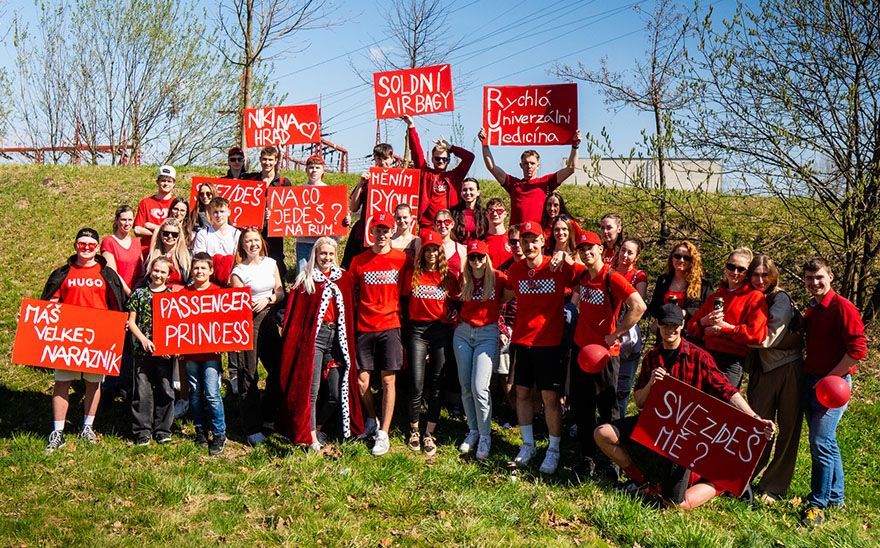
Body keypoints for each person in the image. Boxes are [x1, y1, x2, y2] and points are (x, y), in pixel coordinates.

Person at [594, 303, 775, 509]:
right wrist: (652, 383)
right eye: (665, 325)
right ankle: (640, 482)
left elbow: (726, 390)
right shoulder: (652, 358)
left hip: (684, 437)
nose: (671, 330)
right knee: (602, 434)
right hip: (655, 425)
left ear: (682, 327)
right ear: (658, 326)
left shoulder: (698, 356)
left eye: (675, 326)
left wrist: (754, 417)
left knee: (674, 505)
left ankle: (719, 484)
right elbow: (639, 401)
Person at [502, 221, 583, 473]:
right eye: (523, 241)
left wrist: (565, 257)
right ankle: (528, 444)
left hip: (549, 343)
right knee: (522, 393)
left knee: (550, 398)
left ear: (542, 240)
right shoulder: (515, 270)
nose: (528, 245)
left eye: (533, 240)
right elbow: (502, 295)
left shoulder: (556, 266)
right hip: (522, 341)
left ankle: (554, 448)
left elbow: (585, 278)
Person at [567, 231, 646, 476]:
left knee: (608, 408)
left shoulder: (611, 277)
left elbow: (639, 306)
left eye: (591, 248)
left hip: (605, 354)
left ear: (601, 249)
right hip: (581, 351)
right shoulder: (582, 275)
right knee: (582, 407)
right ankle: (588, 457)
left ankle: (614, 462)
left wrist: (618, 332)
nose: (586, 252)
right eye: (582, 249)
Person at [41, 228, 126, 453]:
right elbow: (50, 303)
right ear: (75, 246)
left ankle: (87, 427)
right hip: (68, 338)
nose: (86, 248)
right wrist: (32, 318)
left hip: (98, 339)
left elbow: (116, 303)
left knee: (93, 383)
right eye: (82, 244)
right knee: (62, 383)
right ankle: (57, 432)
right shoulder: (63, 273)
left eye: (90, 244)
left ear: (97, 247)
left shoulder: (106, 273)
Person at [278, 237, 364, 451]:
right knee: (311, 389)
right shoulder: (305, 279)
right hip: (314, 340)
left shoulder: (343, 279)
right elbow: (296, 317)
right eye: (322, 253)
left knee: (337, 391)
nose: (326, 258)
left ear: (336, 255)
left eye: (330, 254)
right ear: (315, 254)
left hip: (337, 339)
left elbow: (350, 310)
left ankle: (317, 426)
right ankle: (312, 437)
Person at [800, 257, 866, 527]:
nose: (814, 283)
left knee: (820, 443)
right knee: (827, 441)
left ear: (831, 277)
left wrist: (829, 379)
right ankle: (836, 497)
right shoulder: (813, 308)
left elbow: (857, 351)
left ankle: (818, 506)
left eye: (819, 277)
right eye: (809, 278)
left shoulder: (843, 308)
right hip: (812, 381)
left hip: (832, 387)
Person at [348, 213, 413, 456]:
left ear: (392, 231)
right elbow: (348, 289)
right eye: (378, 230)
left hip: (390, 324)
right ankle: (371, 419)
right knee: (361, 380)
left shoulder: (402, 259)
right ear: (371, 232)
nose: (382, 234)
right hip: (364, 326)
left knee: (388, 381)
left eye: (386, 230)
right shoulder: (359, 261)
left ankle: (384, 433)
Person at [745, 255, 803, 504]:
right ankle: (744, 477)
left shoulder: (779, 298)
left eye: (764, 274)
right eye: (755, 275)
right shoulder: (747, 297)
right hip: (761, 371)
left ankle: (773, 487)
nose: (759, 280)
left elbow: (770, 337)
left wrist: (729, 333)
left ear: (773, 276)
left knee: (788, 430)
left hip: (788, 368)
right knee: (756, 426)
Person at [230, 228, 285, 446]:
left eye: (255, 240)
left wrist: (269, 299)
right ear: (242, 245)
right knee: (249, 374)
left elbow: (281, 291)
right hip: (249, 323)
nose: (252, 244)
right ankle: (252, 427)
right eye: (248, 241)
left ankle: (269, 415)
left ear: (261, 242)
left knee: (279, 368)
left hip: (269, 319)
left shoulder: (271, 263)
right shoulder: (238, 271)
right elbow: (237, 303)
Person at [402, 230, 454, 456]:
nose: (431, 253)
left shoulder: (448, 277)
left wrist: (453, 317)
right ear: (422, 252)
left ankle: (429, 432)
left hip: (440, 330)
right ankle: (414, 429)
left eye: (435, 249)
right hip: (417, 331)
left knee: (437, 382)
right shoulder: (412, 275)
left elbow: (458, 302)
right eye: (428, 249)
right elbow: (402, 299)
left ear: (440, 252)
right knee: (416, 381)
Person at [453, 240, 506, 461]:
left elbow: (511, 295)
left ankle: (485, 435)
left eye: (480, 257)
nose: (476, 261)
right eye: (472, 257)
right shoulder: (462, 278)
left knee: (479, 387)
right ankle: (473, 430)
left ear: (487, 258)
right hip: (464, 332)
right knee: (466, 386)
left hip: (487, 333)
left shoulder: (498, 278)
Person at [687, 248, 768, 389]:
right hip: (706, 357)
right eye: (731, 267)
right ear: (725, 267)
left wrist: (722, 330)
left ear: (747, 273)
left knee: (720, 405)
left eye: (741, 269)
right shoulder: (714, 297)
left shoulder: (755, 297)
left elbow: (756, 335)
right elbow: (691, 328)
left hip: (732, 361)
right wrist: (703, 322)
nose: (735, 273)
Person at [479, 127, 582, 225]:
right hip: (517, 236)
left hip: (537, 236)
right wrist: (484, 145)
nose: (529, 166)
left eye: (532, 163)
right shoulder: (513, 184)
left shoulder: (546, 182)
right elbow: (491, 167)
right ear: (521, 165)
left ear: (538, 166)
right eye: (526, 163)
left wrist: (575, 146)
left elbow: (570, 169)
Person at [182, 253, 228, 456]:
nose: (199, 272)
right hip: (190, 353)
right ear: (191, 271)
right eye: (196, 268)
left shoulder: (220, 293)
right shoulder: (184, 294)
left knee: (211, 393)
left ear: (211, 270)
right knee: (194, 392)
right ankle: (200, 429)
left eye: (203, 268)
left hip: (212, 354)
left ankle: (219, 433)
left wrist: (225, 342)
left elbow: (228, 323)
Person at [126, 257, 175, 446]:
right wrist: (143, 340)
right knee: (142, 391)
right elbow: (131, 322)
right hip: (141, 352)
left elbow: (176, 326)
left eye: (163, 272)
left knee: (165, 389)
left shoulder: (172, 296)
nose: (159, 275)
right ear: (150, 271)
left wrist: (171, 348)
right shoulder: (139, 294)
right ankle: (142, 431)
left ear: (169, 276)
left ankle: (163, 429)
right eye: (156, 270)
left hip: (164, 353)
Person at [403, 116, 475, 228]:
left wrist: (450, 147)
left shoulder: (454, 176)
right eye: (437, 158)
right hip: (428, 224)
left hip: (448, 225)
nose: (440, 161)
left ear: (448, 160)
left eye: (444, 159)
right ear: (432, 159)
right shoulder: (426, 173)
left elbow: (469, 157)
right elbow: (416, 152)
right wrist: (411, 126)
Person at [341, 143, 394, 270]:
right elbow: (353, 207)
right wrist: (360, 184)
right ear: (374, 159)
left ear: (391, 158)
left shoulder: (399, 180)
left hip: (388, 231)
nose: (382, 162)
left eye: (385, 158)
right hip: (366, 231)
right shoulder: (368, 180)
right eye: (379, 159)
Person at [613, 237, 648, 416]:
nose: (625, 255)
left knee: (623, 383)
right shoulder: (608, 271)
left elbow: (638, 305)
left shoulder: (638, 276)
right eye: (623, 251)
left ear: (636, 257)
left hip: (627, 334)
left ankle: (618, 419)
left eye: (630, 253)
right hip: (608, 329)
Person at [245, 146, 291, 280]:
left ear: (276, 161)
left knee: (276, 264)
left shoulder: (284, 182)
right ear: (260, 160)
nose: (267, 163)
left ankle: (278, 296)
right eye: (264, 159)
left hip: (274, 233)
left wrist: (276, 215)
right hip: (254, 231)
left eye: (270, 160)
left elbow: (290, 208)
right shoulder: (250, 180)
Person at [647, 241, 712, 333]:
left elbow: (707, 309)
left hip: (690, 333)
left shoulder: (703, 285)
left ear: (692, 262)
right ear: (672, 258)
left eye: (686, 258)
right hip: (665, 333)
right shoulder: (663, 280)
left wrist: (685, 313)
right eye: (677, 256)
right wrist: (666, 314)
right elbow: (654, 307)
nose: (681, 260)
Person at [295, 155, 331, 275]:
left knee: (323, 273)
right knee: (302, 274)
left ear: (322, 170)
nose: (314, 170)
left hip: (323, 241)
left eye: (317, 167)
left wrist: (345, 219)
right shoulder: (298, 192)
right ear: (306, 170)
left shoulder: (331, 191)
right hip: (303, 241)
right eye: (311, 167)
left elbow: (335, 215)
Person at [101, 205, 144, 297]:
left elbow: (141, 272)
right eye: (123, 220)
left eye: (130, 220)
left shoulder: (136, 242)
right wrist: (129, 293)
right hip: (117, 294)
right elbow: (113, 273)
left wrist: (136, 292)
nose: (127, 223)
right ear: (116, 220)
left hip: (135, 293)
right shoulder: (109, 242)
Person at [134, 165, 176, 257]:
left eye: (169, 181)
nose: (166, 184)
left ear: (174, 184)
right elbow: (137, 229)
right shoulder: (145, 202)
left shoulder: (176, 204)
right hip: (147, 250)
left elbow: (180, 230)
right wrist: (163, 232)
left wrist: (152, 228)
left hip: (170, 251)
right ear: (157, 182)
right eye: (163, 181)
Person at [146, 218, 191, 290]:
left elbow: (192, 281)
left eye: (174, 234)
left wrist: (184, 289)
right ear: (160, 234)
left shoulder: (188, 256)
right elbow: (147, 280)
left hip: (181, 294)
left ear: (179, 236)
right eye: (166, 233)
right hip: (158, 295)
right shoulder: (153, 256)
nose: (170, 236)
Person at [450, 178, 488, 246]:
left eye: (471, 189)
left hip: (478, 251)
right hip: (458, 250)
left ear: (478, 192)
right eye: (464, 190)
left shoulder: (485, 214)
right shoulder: (453, 212)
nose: (467, 193)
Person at [432, 209, 466, 278]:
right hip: (434, 287)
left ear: (452, 224)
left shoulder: (460, 249)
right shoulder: (429, 247)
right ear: (434, 225)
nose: (443, 225)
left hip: (454, 287)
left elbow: (464, 275)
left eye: (446, 222)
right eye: (439, 222)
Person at [484, 198, 512, 268]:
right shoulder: (481, 241)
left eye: (499, 211)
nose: (495, 214)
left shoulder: (512, 239)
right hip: (489, 278)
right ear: (486, 214)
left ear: (505, 214)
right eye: (491, 210)